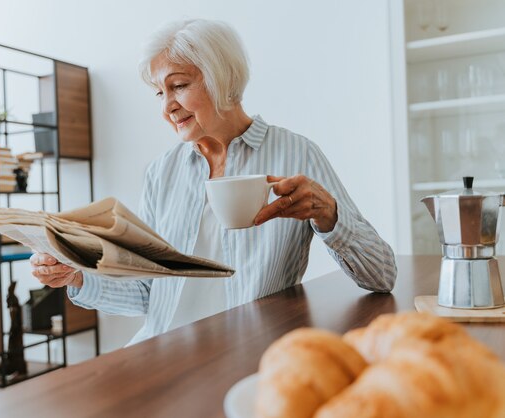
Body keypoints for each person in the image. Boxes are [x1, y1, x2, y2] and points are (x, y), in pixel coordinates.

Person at [30, 18, 397, 345]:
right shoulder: (162, 173)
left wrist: (328, 215)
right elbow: (149, 293)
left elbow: (381, 277)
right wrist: (77, 276)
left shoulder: (297, 154)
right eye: (160, 92)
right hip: (166, 352)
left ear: (222, 78)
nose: (166, 107)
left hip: (252, 353)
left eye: (179, 86)